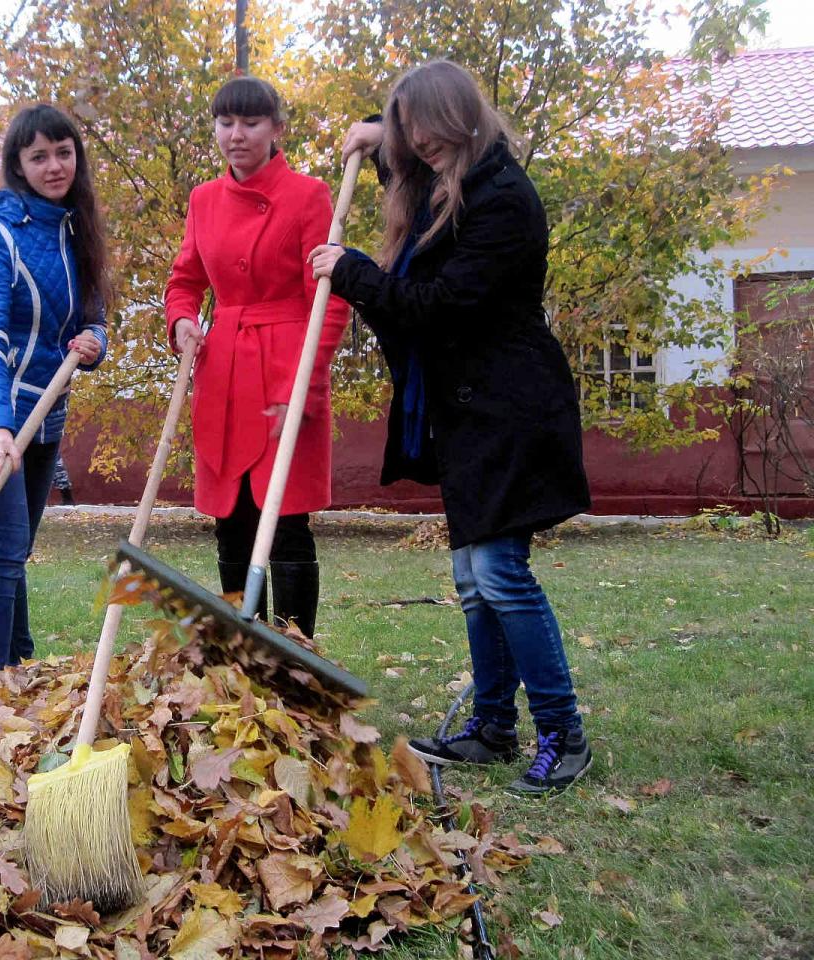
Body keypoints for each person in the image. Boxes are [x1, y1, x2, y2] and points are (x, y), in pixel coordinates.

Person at [309, 60, 593, 796]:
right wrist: (377, 136)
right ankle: (493, 727)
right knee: (472, 578)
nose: (423, 141)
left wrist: (353, 271)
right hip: (468, 410)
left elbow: (435, 305)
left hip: (513, 406)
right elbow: (416, 184)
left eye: (431, 125)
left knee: (500, 570)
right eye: (412, 130)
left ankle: (563, 734)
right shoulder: (453, 180)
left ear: (464, 116)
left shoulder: (504, 200)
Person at [165, 76, 349, 638]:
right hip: (223, 371)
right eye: (225, 123)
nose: (236, 135)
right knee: (233, 520)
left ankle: (294, 659)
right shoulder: (203, 200)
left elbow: (332, 295)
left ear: (276, 130)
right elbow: (184, 281)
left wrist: (306, 379)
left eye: (250, 123)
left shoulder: (310, 195)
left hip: (285, 368)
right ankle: (244, 655)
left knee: (287, 519)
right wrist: (182, 321)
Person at [0, 104, 110, 674]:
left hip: (47, 412)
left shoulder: (77, 228)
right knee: (3, 548)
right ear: (18, 165)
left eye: (63, 152)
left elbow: (94, 317)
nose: (53, 166)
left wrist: (94, 341)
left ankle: (19, 665)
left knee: (19, 548)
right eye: (38, 156)